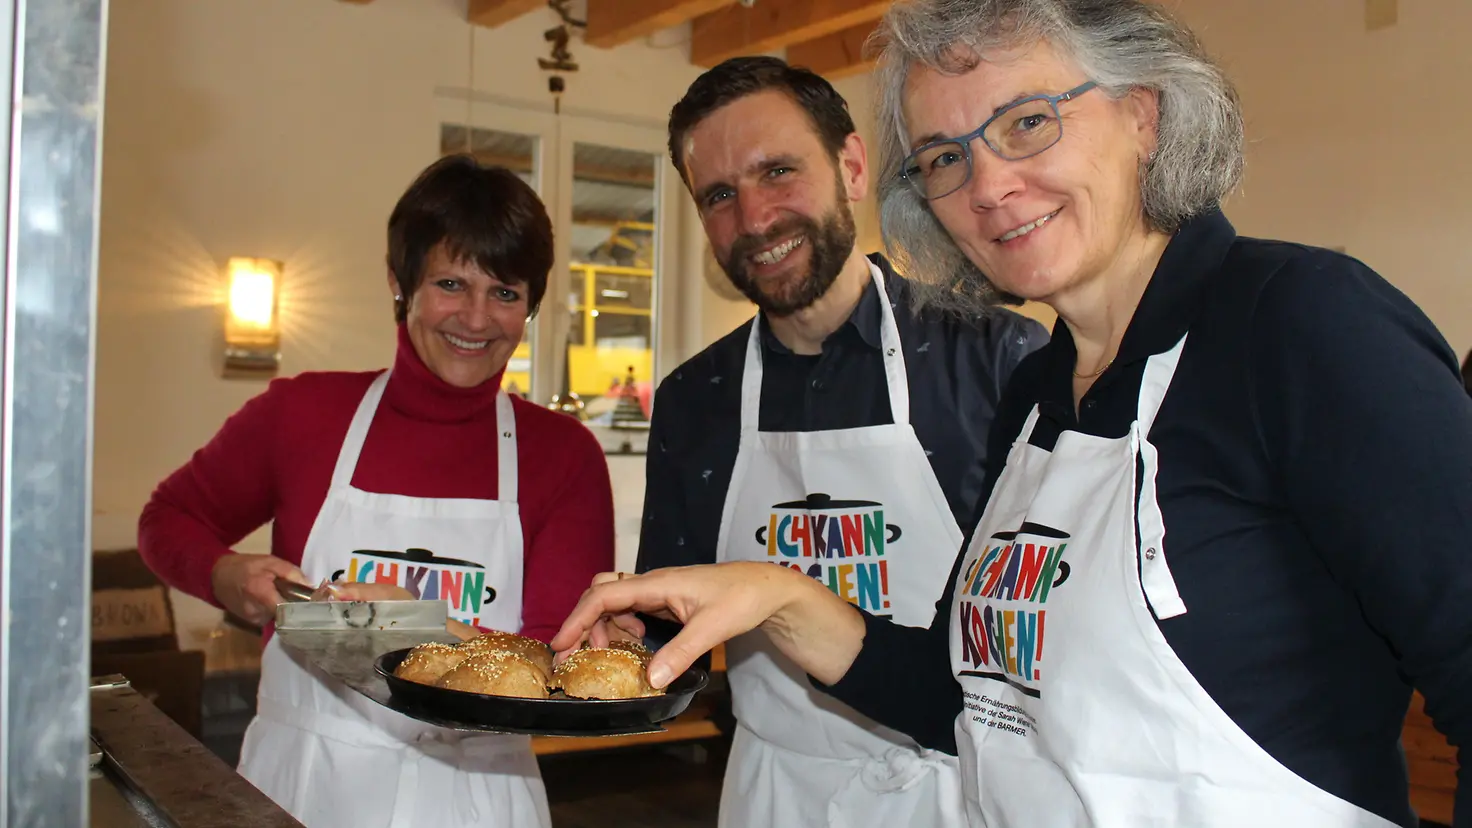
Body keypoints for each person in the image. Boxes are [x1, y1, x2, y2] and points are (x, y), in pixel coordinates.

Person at [555, 2, 1472, 826]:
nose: (988, 188)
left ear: (1143, 114)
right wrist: (779, 594)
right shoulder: (1042, 395)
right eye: (947, 158)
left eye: (1029, 122)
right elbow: (960, 696)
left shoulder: (1302, 323)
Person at [139, 155, 616, 828]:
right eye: (451, 283)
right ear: (400, 282)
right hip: (300, 784)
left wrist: (415, 627)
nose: (477, 319)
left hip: (477, 795)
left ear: (531, 304)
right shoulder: (303, 414)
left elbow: (552, 666)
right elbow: (168, 518)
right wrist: (225, 574)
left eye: (505, 293)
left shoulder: (562, 455)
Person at [633, 56, 1047, 828]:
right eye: (720, 195)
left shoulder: (995, 358)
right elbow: (666, 636)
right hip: (773, 794)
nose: (754, 219)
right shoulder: (696, 402)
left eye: (779, 171)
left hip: (959, 791)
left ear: (852, 167)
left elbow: (1046, 638)